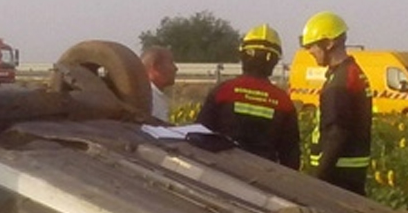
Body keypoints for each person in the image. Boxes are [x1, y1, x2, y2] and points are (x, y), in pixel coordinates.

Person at [195, 24, 300, 169]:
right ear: (274, 61)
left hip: (222, 171)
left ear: (243, 56)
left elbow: (199, 136)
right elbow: (290, 156)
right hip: (265, 177)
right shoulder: (283, 102)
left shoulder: (223, 92)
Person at [300, 11, 372, 194]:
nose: (309, 52)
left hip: (338, 176)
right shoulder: (349, 72)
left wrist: (318, 177)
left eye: (312, 46)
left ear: (329, 43)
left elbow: (337, 132)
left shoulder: (340, 81)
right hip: (348, 173)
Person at [140, 46, 177, 121]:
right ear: (156, 67)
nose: (175, 68)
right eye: (171, 63)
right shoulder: (148, 98)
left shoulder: (154, 95)